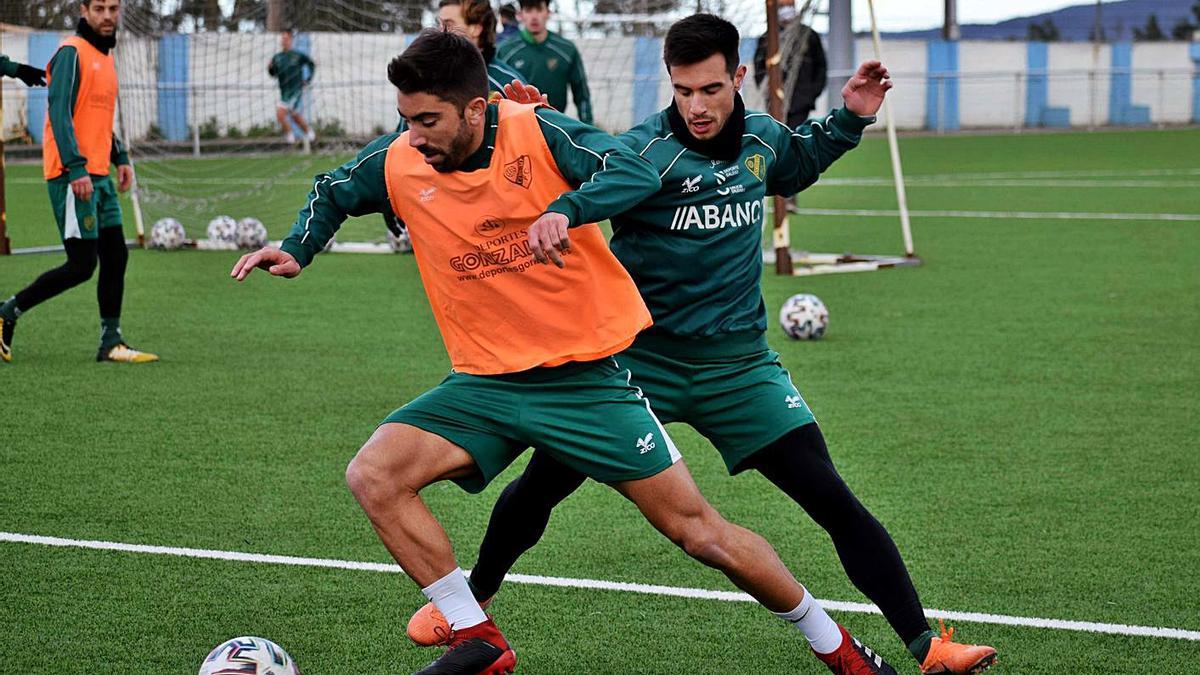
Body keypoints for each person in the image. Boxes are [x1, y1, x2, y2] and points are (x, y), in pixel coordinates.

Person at [232, 28, 896, 675]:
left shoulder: (534, 131)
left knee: (700, 532)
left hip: (586, 383)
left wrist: (568, 209)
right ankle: (477, 635)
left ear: (475, 107)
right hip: (485, 384)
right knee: (373, 475)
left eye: (428, 119)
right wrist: (297, 246)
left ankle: (834, 644)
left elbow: (631, 166)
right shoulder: (402, 159)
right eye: (406, 119)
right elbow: (334, 187)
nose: (414, 135)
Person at [406, 14, 998, 675]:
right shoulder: (644, 151)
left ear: (739, 78)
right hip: (638, 363)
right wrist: (543, 136)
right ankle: (473, 598)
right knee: (543, 483)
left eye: (711, 89)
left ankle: (927, 647)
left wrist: (851, 117)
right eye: (683, 90)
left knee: (831, 496)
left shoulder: (763, 141)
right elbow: (581, 181)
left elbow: (798, 161)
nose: (696, 106)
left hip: (740, 368)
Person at [0, 0, 157, 365]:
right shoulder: (71, 53)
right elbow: (60, 112)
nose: (107, 15)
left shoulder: (105, 59)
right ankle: (8, 310)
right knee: (81, 265)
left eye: (113, 8)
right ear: (84, 10)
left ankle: (111, 342)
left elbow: (97, 118)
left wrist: (119, 157)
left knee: (116, 255)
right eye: (99, 8)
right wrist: (76, 168)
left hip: (100, 175)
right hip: (74, 176)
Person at [496, 0, 592, 124]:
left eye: (539, 10)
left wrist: (588, 127)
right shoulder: (505, 50)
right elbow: (495, 94)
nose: (534, 16)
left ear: (548, 13)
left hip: (557, 126)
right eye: (529, 10)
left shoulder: (566, 49)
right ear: (520, 15)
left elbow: (582, 95)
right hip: (518, 126)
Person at [754, 0, 827, 127]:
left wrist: (811, 94)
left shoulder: (809, 35)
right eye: (782, 6)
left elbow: (821, 67)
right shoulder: (766, 38)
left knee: (794, 135)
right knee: (777, 134)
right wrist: (767, 89)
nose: (786, 10)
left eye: (789, 6)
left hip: (801, 101)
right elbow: (758, 67)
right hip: (774, 100)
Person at [268, 30, 316, 144]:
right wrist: (270, 68)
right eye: (282, 38)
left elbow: (311, 64)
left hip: (296, 90)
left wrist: (308, 79)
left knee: (280, 113)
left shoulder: (298, 56)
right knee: (294, 116)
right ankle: (310, 135)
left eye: (286, 38)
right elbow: (273, 74)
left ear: (291, 40)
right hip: (284, 92)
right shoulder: (277, 57)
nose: (284, 41)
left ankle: (290, 138)